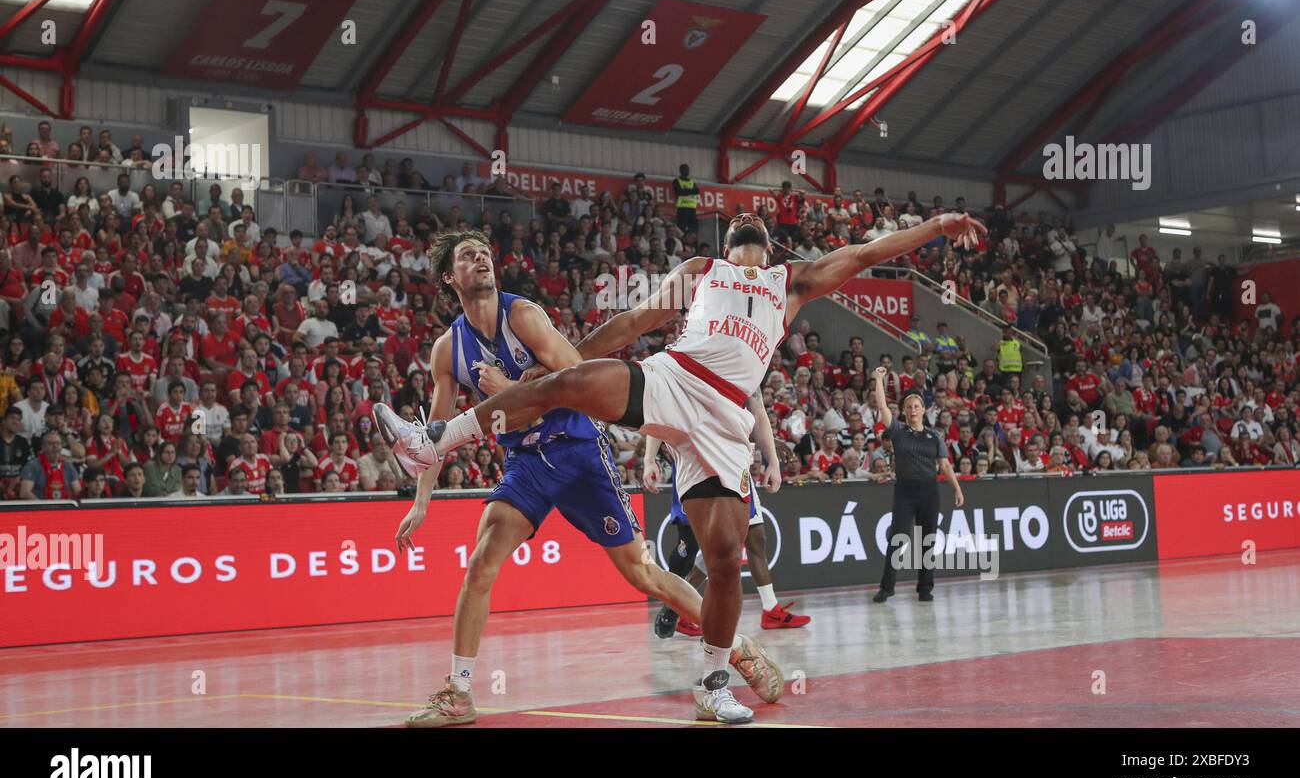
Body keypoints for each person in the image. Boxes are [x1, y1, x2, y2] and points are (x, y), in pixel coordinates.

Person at [383, 209, 985, 722]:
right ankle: (438, 439)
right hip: (674, 380)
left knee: (723, 560)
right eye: (740, 226)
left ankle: (713, 684)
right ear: (726, 247)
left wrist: (937, 225)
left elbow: (867, 250)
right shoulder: (701, 273)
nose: (748, 227)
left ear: (768, 248)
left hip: (725, 423)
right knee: (572, 383)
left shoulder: (791, 282)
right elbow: (633, 323)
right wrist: (562, 369)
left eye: (757, 227)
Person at [372, 230, 779, 728]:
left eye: (484, 252)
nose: (480, 259)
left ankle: (735, 647)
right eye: (467, 256)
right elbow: (435, 437)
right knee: (481, 561)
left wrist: (513, 387)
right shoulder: (446, 350)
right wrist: (421, 502)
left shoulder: (522, 315)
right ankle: (458, 692)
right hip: (526, 462)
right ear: (447, 277)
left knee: (641, 575)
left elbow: (575, 374)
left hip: (580, 450)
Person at [644, 418, 810, 636]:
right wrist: (649, 460)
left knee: (752, 538)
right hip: (697, 466)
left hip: (735, 466)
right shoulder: (682, 390)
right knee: (694, 548)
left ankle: (770, 609)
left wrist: (766, 443)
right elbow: (664, 419)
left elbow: (743, 416)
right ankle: (679, 608)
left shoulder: (739, 390)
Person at [870, 367, 965, 603]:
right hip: (905, 491)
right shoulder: (898, 431)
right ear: (904, 411)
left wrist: (957, 488)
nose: (913, 409)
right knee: (897, 539)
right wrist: (878, 379)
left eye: (917, 406)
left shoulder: (934, 436)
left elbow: (944, 465)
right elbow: (882, 407)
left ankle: (925, 588)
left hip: (930, 492)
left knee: (928, 541)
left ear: (923, 409)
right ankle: (887, 587)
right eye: (909, 406)